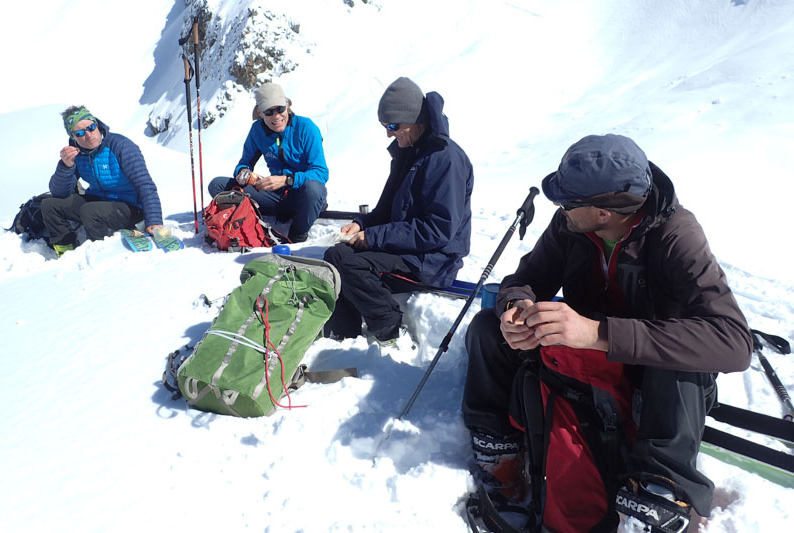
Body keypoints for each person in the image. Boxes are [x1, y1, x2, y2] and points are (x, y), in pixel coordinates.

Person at [461, 134, 752, 531]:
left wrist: (599, 334)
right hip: (586, 364)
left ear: (602, 212)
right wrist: (517, 308)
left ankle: (659, 490)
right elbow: (525, 279)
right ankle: (502, 456)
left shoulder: (675, 235)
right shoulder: (570, 225)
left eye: (567, 202)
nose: (560, 209)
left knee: (680, 363)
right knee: (486, 328)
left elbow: (733, 342)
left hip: (651, 380)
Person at [322, 77, 474, 344]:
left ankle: (390, 328)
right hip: (411, 249)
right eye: (385, 127)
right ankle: (343, 336)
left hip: (433, 260)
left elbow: (439, 230)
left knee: (353, 265)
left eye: (393, 126)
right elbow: (386, 210)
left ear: (414, 119)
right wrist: (361, 225)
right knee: (336, 255)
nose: (389, 133)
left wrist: (374, 237)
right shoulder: (411, 152)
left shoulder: (445, 159)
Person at [207, 82, 328, 243]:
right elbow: (243, 164)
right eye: (269, 112)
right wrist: (243, 174)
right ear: (260, 112)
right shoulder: (257, 130)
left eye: (280, 109)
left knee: (314, 189)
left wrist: (287, 180)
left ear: (288, 106)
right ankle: (248, 219)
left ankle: (297, 235)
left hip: (302, 194)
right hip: (276, 196)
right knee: (218, 185)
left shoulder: (306, 128)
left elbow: (320, 172)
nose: (277, 116)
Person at [42, 105, 164, 257]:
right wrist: (66, 167)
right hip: (99, 202)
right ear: (73, 137)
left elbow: (145, 185)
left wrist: (154, 219)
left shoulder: (120, 145)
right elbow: (60, 193)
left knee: (91, 211)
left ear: (97, 124)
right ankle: (66, 251)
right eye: (80, 133)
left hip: (131, 207)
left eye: (91, 127)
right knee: (50, 205)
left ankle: (101, 253)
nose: (88, 135)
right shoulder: (76, 154)